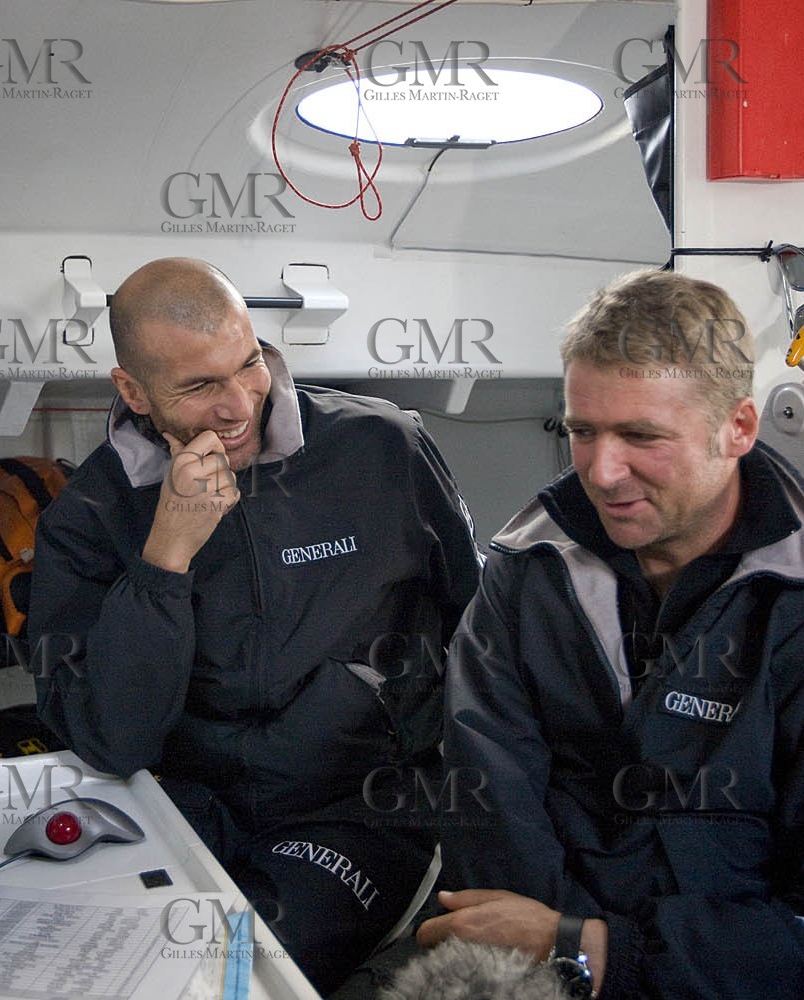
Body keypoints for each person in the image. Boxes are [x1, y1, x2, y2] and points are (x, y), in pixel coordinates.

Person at [424, 269, 804, 999]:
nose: (603, 471)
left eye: (641, 436)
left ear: (736, 428)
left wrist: (602, 953)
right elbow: (489, 808)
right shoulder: (526, 576)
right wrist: (556, 964)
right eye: (583, 432)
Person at [28, 257, 481, 992]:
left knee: (239, 972)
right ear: (133, 391)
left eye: (248, 366)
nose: (238, 404)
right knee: (106, 970)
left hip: (358, 806)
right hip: (184, 806)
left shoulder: (383, 448)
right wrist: (165, 557)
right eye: (200, 387)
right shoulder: (89, 514)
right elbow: (115, 740)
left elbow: (477, 632)